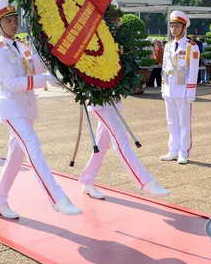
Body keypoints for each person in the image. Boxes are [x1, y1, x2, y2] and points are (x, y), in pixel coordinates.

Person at [0, 0, 81, 218]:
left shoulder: (23, 46)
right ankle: (57, 198)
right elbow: (12, 83)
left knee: (16, 156)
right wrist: (43, 79)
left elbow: (40, 68)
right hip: (11, 107)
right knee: (32, 145)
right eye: (8, 20)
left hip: (27, 108)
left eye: (15, 19)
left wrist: (60, 77)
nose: (14, 24)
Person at [79, 101, 171, 199]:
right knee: (121, 142)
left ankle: (87, 180)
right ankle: (145, 182)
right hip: (99, 103)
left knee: (101, 145)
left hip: (109, 101)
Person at [161, 11, 199, 165]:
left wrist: (191, 92)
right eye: (172, 26)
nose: (173, 30)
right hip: (170, 89)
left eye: (177, 26)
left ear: (184, 28)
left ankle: (183, 151)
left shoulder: (191, 47)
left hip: (183, 89)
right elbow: (165, 67)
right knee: (171, 122)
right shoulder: (168, 45)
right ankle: (173, 150)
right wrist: (163, 88)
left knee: (184, 123)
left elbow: (193, 71)